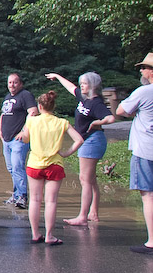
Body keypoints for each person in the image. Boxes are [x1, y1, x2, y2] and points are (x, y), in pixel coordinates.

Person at [45, 71, 115, 225]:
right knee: (91, 180)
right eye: (81, 83)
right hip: (89, 141)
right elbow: (71, 87)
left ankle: (82, 217)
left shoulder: (96, 103)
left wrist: (96, 123)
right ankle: (93, 213)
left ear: (92, 86)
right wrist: (57, 76)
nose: (81, 86)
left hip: (92, 141)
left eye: (84, 84)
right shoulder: (84, 97)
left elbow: (110, 118)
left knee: (85, 180)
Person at [17, 91, 84, 245]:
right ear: (54, 106)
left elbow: (25, 139)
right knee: (51, 201)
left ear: (39, 106)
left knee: (34, 200)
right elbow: (79, 140)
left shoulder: (32, 121)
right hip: (55, 164)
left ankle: (35, 234)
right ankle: (49, 236)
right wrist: (66, 153)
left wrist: (27, 125)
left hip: (34, 164)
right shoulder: (62, 122)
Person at [115, 52, 153, 255]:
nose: (141, 71)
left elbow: (120, 110)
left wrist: (138, 111)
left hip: (146, 149)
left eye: (144, 67)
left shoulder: (145, 91)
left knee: (149, 195)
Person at [0, 73, 38, 209]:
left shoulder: (25, 95)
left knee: (17, 167)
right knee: (11, 168)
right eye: (9, 82)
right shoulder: (7, 97)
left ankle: (22, 197)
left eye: (15, 82)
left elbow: (33, 112)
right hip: (6, 139)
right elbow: (3, 114)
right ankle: (15, 195)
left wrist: (24, 131)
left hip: (18, 139)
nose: (12, 85)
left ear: (20, 83)